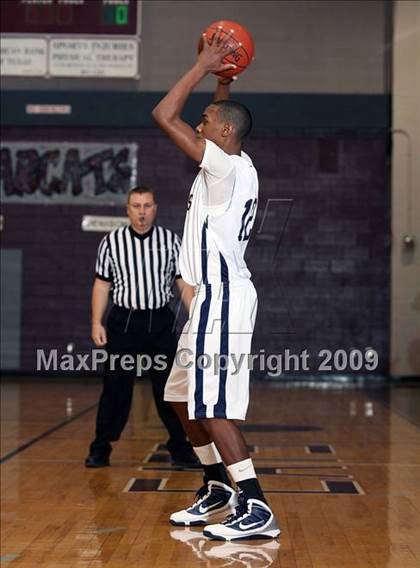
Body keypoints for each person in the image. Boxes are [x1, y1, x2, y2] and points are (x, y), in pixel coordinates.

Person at [152, 29, 280, 540]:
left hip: (224, 298)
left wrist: (204, 65)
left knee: (213, 405)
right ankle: (217, 487)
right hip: (207, 299)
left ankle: (256, 505)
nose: (199, 126)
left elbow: (163, 115)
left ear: (222, 135)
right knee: (181, 397)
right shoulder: (233, 160)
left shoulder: (223, 165)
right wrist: (225, 82)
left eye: (206, 123)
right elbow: (220, 119)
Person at [85, 186, 199, 469]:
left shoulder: (170, 240)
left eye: (147, 205)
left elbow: (182, 283)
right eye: (136, 206)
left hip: (159, 322)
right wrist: (96, 321)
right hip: (124, 322)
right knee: (115, 388)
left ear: (155, 208)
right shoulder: (111, 242)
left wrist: (196, 315)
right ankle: (101, 448)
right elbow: (102, 284)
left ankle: (180, 447)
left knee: (170, 389)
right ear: (127, 209)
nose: (142, 211)